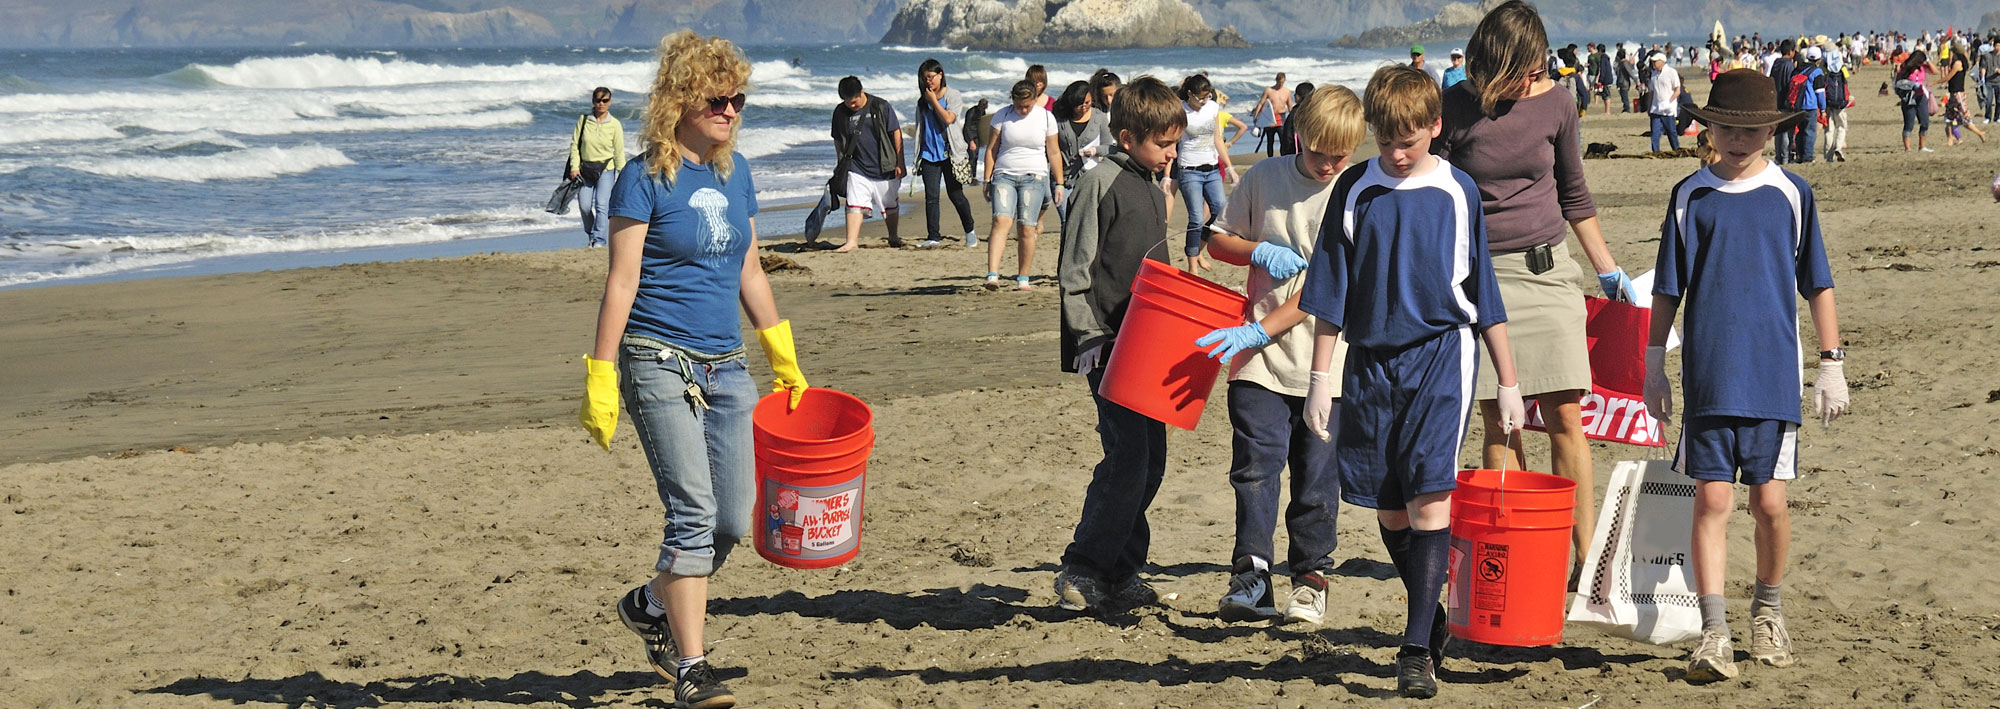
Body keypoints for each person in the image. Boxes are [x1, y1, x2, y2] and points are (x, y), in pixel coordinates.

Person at [581, 29, 809, 709]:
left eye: (737, 99)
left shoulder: (736, 174)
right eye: (716, 99)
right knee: (692, 512)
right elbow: (621, 281)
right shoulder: (643, 176)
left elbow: (748, 269)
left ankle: (651, 603)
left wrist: (782, 356)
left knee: (733, 520)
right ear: (678, 99)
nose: (730, 110)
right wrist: (600, 372)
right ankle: (691, 666)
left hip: (728, 365)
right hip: (657, 359)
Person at [1300, 64, 1525, 700]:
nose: (1397, 155)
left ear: (1434, 127)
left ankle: (1414, 648)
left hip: (1441, 356)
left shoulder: (1458, 191)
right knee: (1392, 511)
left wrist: (1507, 382)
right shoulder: (1353, 192)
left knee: (1431, 499)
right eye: (1385, 141)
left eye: (1410, 141)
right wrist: (1322, 378)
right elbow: (1329, 295)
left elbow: (1484, 292)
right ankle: (1437, 615)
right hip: (1370, 363)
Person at [1643, 68, 1848, 683]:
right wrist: (1653, 364)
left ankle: (1768, 610)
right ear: (1709, 127)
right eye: (1727, 127)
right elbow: (1665, 292)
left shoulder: (1793, 194)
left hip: (1772, 380)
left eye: (1752, 130)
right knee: (1710, 499)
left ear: (1772, 131)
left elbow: (1818, 283)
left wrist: (1831, 364)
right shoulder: (1688, 197)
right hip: (1709, 378)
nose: (1738, 139)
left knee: (1770, 503)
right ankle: (1714, 631)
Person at [1437, 0, 1636, 585]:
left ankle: (1587, 562)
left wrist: (1607, 269)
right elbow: (1437, 193)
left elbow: (1574, 194)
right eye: (1522, 67)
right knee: (1500, 423)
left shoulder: (1557, 101)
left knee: (1565, 417)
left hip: (1549, 274)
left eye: (1535, 66)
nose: (1532, 77)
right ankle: (1517, 550)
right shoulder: (1454, 107)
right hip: (1479, 283)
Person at [1193, 85, 1366, 626]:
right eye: (1317, 153)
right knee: (1254, 469)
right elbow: (1215, 242)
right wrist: (1256, 249)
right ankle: (1251, 575)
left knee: (1317, 478)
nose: (1326, 165)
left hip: (1329, 366)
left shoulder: (1358, 193)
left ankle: (1311, 579)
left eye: (1339, 157)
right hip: (1258, 365)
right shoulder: (1265, 179)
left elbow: (1324, 287)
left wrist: (1260, 329)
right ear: (1297, 135)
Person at [1053, 75, 1188, 615]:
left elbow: (1159, 269)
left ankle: (1123, 569)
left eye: (1176, 142)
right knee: (1127, 457)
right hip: (1107, 344)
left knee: (1150, 461)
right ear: (1127, 136)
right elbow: (1074, 267)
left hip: (1150, 344)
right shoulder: (1097, 182)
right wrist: (1085, 333)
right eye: (1163, 143)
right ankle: (1083, 567)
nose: (1171, 152)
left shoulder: (1154, 185)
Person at [982, 79, 1063, 291]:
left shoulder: (1046, 117)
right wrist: (987, 178)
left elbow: (1054, 152)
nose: (1023, 109)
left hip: (1034, 176)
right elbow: (991, 149)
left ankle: (1023, 278)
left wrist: (1060, 183)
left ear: (1035, 99)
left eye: (1027, 105)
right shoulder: (1002, 115)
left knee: (1027, 227)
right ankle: (992, 275)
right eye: (1019, 105)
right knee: (1001, 221)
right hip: (1004, 174)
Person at [830, 76, 905, 252]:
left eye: (854, 101)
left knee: (889, 203)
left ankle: (893, 235)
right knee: (854, 201)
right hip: (856, 166)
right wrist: (840, 161)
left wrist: (899, 161)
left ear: (861, 92)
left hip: (884, 165)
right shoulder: (840, 112)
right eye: (848, 102)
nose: (852, 105)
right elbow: (837, 139)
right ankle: (851, 241)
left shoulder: (880, 106)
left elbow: (895, 132)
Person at [913, 58, 976, 249]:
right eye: (925, 78)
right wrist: (917, 156)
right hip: (929, 154)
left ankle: (970, 231)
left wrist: (933, 101)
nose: (928, 81)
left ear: (941, 75)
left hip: (951, 153)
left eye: (931, 77)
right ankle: (933, 236)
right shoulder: (921, 102)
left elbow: (949, 118)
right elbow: (920, 129)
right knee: (931, 197)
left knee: (955, 194)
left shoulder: (953, 96)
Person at [1174, 74, 1228, 269]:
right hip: (1189, 170)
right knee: (1196, 217)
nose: (1205, 101)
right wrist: (1166, 176)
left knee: (1221, 211)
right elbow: (1172, 141)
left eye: (1208, 97)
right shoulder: (1180, 110)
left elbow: (1217, 138)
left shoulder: (1212, 107)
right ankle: (1192, 267)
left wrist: (1229, 166)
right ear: (1190, 94)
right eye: (1201, 98)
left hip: (1212, 168)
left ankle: (1198, 251)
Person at [568, 86, 627, 248]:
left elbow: (619, 151)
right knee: (584, 206)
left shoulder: (615, 124)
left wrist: (622, 173)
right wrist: (574, 167)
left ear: (610, 102)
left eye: (604, 100)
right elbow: (574, 145)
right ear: (593, 102)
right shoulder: (584, 120)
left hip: (606, 169)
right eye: (598, 100)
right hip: (584, 169)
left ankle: (599, 241)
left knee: (602, 205)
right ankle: (592, 234)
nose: (601, 104)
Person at [1055, 80, 1117, 224]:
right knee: (1068, 221)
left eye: (1088, 103)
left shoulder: (1099, 117)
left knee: (1090, 220)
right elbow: (1052, 149)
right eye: (1080, 104)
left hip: (1090, 177)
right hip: (1063, 179)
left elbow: (1109, 146)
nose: (1084, 107)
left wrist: (1096, 150)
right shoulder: (1059, 119)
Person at [1785, 46, 1828, 164]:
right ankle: (1808, 157)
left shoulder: (1798, 69)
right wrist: (1823, 109)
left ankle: (1800, 154)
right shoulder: (1817, 72)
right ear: (1819, 59)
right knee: (1810, 132)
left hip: (1797, 105)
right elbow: (1820, 93)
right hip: (1810, 106)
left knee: (1800, 131)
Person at [1896, 50, 1935, 151]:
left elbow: (1935, 71)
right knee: (1909, 123)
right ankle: (1907, 148)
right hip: (1909, 97)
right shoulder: (1905, 68)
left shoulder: (1922, 67)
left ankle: (1922, 146)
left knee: (1925, 121)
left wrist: (1928, 60)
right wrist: (1911, 85)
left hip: (1921, 96)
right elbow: (1898, 83)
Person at [1250, 73, 1296, 157]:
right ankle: (1270, 158)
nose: (1280, 84)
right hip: (1269, 118)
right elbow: (1261, 103)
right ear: (1276, 80)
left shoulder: (1287, 91)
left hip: (1281, 118)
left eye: (1282, 82)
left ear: (1284, 80)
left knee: (1283, 140)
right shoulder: (1269, 90)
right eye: (1279, 82)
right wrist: (1256, 116)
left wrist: (1294, 118)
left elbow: (1289, 106)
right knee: (1270, 141)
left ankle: (1283, 157)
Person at [1647, 52, 1684, 151]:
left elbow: (1677, 90)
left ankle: (1676, 149)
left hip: (1668, 109)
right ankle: (1655, 151)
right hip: (1655, 108)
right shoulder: (1654, 74)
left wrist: (1669, 102)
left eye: (1655, 61)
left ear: (1662, 62)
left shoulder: (1671, 72)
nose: (1653, 63)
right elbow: (1652, 91)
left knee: (1671, 131)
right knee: (1655, 132)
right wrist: (1649, 106)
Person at [962, 98, 989, 185]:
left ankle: (974, 176)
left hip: (976, 135)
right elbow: (966, 127)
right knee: (972, 156)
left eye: (984, 108)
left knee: (976, 157)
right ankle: (968, 176)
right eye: (982, 107)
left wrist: (983, 139)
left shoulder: (983, 112)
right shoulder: (971, 111)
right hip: (969, 134)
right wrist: (970, 141)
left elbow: (981, 126)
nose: (983, 109)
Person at [1616, 48, 1638, 113]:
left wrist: (1636, 81)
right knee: (1623, 96)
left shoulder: (1625, 63)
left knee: (1625, 96)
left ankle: (1627, 109)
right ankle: (1625, 108)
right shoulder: (1621, 63)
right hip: (1621, 82)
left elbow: (1630, 73)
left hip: (1624, 82)